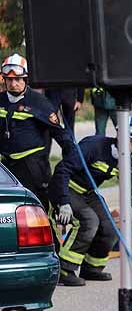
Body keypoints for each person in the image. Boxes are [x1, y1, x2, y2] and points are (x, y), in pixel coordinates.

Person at [52, 117, 132, 286]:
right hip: (67, 189)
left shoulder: (126, 161)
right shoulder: (94, 146)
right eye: (130, 140)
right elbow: (62, 170)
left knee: (109, 226)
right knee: (89, 221)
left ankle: (92, 268)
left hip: (88, 193)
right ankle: (64, 270)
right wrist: (64, 202)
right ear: (119, 134)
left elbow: (130, 190)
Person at [0, 54, 74, 216]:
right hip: (6, 166)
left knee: (39, 208)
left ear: (26, 79)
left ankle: (51, 239)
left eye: (18, 79)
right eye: (9, 79)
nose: (13, 84)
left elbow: (60, 133)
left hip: (33, 166)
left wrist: (71, 160)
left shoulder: (38, 102)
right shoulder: (1, 101)